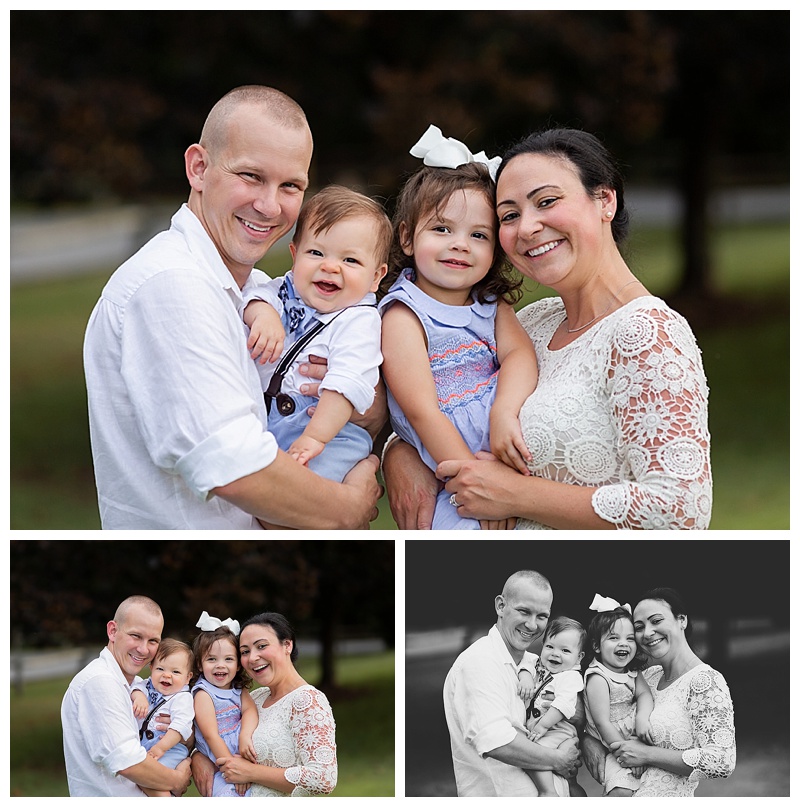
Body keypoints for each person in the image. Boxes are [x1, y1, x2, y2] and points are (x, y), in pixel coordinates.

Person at [382, 127, 712, 530]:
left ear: (604, 200)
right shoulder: (534, 321)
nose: (527, 227)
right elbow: (441, 397)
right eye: (509, 215)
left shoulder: (646, 334)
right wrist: (400, 454)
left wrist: (515, 496)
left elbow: (680, 510)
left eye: (547, 201)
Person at [83, 85, 382, 529]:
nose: (268, 205)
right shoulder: (172, 285)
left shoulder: (260, 290)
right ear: (198, 167)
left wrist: (369, 412)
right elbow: (232, 464)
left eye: (290, 186)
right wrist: (346, 510)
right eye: (251, 177)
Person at [378, 125, 538, 529]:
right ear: (408, 236)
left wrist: (504, 411)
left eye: (478, 235)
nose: (460, 244)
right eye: (442, 229)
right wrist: (473, 482)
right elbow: (422, 412)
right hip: (450, 474)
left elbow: (520, 355)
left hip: (504, 455)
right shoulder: (403, 314)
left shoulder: (488, 305)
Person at [243, 184, 390, 481]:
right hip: (269, 421)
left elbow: (345, 383)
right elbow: (252, 297)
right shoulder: (285, 291)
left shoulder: (359, 322)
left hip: (331, 435)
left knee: (306, 502)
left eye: (350, 260)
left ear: (376, 277)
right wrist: (264, 314)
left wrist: (315, 438)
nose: (330, 266)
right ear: (295, 255)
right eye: (316, 252)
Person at [442, 570, 581, 796]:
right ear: (500, 606)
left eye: (542, 616)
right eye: (524, 611)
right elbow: (496, 741)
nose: (532, 625)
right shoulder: (480, 662)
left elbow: (579, 710)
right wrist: (558, 759)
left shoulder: (540, 664)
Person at [191, 612, 337, 797]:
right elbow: (215, 730)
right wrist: (198, 757)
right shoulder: (256, 697)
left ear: (287, 645)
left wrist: (250, 773)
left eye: (261, 646)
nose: (252, 658)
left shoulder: (308, 701)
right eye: (245, 651)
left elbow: (322, 779)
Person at [608, 588, 736, 797]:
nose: (647, 633)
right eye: (639, 627)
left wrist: (647, 754)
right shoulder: (646, 677)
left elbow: (722, 762)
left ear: (682, 620)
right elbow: (606, 715)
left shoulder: (704, 681)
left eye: (656, 621)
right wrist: (589, 745)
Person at [60, 595, 192, 797]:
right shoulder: (100, 681)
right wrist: (177, 780)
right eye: (136, 636)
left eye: (153, 640)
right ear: (112, 631)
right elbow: (128, 763)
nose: (143, 649)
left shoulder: (136, 685)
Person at [582, 594, 654, 797]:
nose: (623, 644)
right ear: (597, 646)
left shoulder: (632, 673)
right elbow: (602, 722)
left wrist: (642, 717)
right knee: (621, 790)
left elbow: (644, 695)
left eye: (629, 638)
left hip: (635, 736)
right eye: (614, 638)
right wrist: (628, 753)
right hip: (614, 743)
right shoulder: (598, 677)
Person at [190, 612, 258, 797]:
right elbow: (211, 735)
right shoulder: (203, 694)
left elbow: (250, 710)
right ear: (199, 664)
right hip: (222, 765)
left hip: (243, 757)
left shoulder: (238, 690)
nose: (220, 665)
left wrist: (245, 735)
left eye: (228, 659)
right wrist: (234, 769)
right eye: (212, 659)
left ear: (238, 665)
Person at [523, 617, 586, 797]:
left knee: (534, 755)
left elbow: (563, 704)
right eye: (550, 647)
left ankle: (548, 792)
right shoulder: (538, 665)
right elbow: (525, 662)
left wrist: (543, 725)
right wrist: (526, 677)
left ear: (579, 657)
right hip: (546, 728)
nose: (555, 654)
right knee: (569, 780)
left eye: (565, 650)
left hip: (557, 729)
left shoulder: (570, 677)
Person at [130, 638, 195, 797]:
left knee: (149, 779)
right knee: (146, 778)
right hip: (145, 747)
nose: (167, 675)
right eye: (160, 668)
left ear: (188, 677)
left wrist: (161, 748)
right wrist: (139, 698)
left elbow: (180, 727)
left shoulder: (182, 698)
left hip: (169, 749)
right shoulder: (147, 686)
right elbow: (135, 688)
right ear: (151, 668)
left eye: (176, 672)